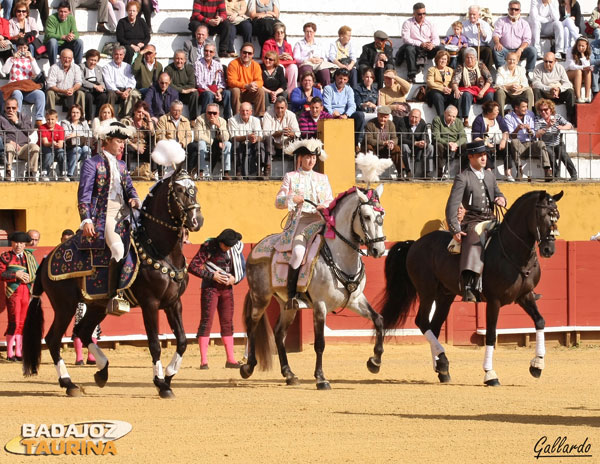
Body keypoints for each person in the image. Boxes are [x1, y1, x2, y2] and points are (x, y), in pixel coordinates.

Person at [78, 121, 141, 313]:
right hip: (104, 215)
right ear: (106, 141)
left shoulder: (121, 165)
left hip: (125, 213)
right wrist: (86, 219)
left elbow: (129, 187)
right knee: (118, 250)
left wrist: (135, 198)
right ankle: (115, 295)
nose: (122, 145)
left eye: (123, 141)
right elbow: (84, 193)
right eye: (118, 141)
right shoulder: (92, 163)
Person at [445, 139, 506, 303]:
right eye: (479, 155)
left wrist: (501, 199)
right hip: (473, 219)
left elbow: (498, 193)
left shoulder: (490, 175)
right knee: (473, 240)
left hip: (491, 219)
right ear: (471, 157)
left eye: (484, 154)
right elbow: (452, 206)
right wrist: (455, 229)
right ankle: (469, 286)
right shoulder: (462, 178)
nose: (483, 158)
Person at [275, 138, 333, 310]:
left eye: (314, 157)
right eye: (308, 157)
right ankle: (293, 295)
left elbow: (330, 199)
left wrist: (326, 206)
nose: (311, 160)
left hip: (320, 222)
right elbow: (278, 202)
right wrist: (292, 198)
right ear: (300, 158)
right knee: (299, 252)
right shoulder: (291, 177)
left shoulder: (323, 178)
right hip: (300, 222)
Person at [189, 228, 245, 369]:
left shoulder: (232, 249)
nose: (227, 249)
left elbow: (238, 268)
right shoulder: (209, 247)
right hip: (210, 289)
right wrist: (211, 276)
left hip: (226, 289)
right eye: (226, 246)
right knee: (207, 321)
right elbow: (193, 267)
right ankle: (203, 361)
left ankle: (230, 360)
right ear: (220, 242)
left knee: (227, 322)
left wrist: (234, 278)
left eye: (230, 246)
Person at [0, 231, 38, 361]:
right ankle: (10, 352)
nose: (18, 245)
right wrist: (15, 275)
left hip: (26, 291)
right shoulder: (6, 256)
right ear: (12, 243)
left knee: (22, 322)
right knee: (14, 321)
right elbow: (1, 274)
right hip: (13, 292)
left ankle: (19, 351)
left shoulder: (30, 257)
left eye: (21, 243)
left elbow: (36, 274)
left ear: (25, 244)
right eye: (16, 242)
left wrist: (30, 278)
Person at [504, 97, 553, 179]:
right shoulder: (508, 117)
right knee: (514, 141)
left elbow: (533, 134)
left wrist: (529, 130)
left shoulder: (530, 114)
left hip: (530, 144)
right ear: (516, 108)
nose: (526, 109)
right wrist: (517, 128)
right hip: (519, 145)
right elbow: (511, 136)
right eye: (523, 107)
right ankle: (519, 170)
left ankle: (547, 170)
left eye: (526, 106)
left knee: (540, 143)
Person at [1, 38, 45, 126]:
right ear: (17, 48)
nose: (22, 50)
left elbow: (37, 72)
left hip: (27, 89)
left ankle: (39, 119)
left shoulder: (30, 60)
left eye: (25, 48)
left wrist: (31, 59)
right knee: (17, 93)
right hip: (14, 87)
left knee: (40, 94)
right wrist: (13, 58)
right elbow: (4, 71)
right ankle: (17, 117)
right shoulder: (11, 59)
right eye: (20, 48)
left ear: (28, 49)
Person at [397, 3, 442, 83]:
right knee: (409, 48)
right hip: (415, 48)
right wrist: (420, 44)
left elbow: (436, 39)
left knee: (441, 49)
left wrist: (432, 45)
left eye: (424, 13)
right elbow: (406, 39)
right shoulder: (407, 23)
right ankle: (411, 75)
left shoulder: (430, 23)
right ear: (414, 14)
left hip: (428, 49)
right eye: (419, 14)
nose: (422, 16)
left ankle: (440, 72)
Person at [534, 98, 578, 180]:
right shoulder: (537, 119)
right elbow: (536, 134)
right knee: (551, 154)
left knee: (564, 155)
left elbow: (570, 125)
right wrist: (547, 126)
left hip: (558, 142)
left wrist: (561, 127)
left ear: (551, 109)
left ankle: (573, 174)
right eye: (541, 110)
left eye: (545, 109)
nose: (543, 112)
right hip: (546, 144)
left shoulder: (557, 117)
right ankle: (556, 175)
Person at [452, 47, 495, 129]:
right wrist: (456, 90)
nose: (469, 60)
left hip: (481, 90)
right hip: (469, 90)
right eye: (467, 57)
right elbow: (455, 81)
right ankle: (466, 119)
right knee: (466, 94)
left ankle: (488, 117)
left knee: (490, 94)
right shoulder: (461, 67)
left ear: (475, 58)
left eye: (472, 57)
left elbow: (489, 79)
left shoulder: (481, 65)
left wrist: (482, 91)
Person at [323, 68, 364, 151]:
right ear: (336, 77)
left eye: (345, 79)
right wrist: (333, 113)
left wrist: (346, 114)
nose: (342, 81)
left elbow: (352, 105)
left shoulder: (349, 89)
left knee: (360, 115)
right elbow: (327, 105)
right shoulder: (328, 88)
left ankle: (355, 143)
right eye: (340, 78)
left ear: (347, 80)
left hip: (345, 114)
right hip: (332, 114)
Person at [471, 100, 513, 180]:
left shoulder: (499, 118)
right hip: (485, 144)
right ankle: (488, 173)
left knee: (508, 147)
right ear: (489, 112)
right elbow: (475, 137)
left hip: (498, 144)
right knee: (486, 150)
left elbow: (505, 131)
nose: (498, 112)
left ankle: (508, 173)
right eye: (496, 110)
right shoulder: (479, 120)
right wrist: (487, 143)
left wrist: (503, 140)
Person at [492, 1, 537, 75]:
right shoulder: (501, 21)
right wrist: (497, 43)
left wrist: (520, 49)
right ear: (508, 10)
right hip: (505, 50)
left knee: (533, 50)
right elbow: (496, 34)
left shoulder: (524, 23)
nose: (513, 11)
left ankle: (529, 72)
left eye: (516, 9)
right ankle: (502, 73)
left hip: (519, 50)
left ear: (520, 11)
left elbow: (527, 39)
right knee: (496, 49)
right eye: (512, 9)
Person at [0, 97, 39, 180]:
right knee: (8, 146)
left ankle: (30, 174)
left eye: (13, 108)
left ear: (17, 108)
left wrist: (17, 121)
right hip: (10, 147)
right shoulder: (1, 118)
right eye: (8, 107)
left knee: (35, 147)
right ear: (4, 107)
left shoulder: (24, 117)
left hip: (24, 147)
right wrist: (9, 141)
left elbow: (30, 131)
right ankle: (8, 173)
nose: (11, 110)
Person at [532, 51, 576, 123]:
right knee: (536, 90)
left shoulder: (560, 68)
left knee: (570, 92)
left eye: (550, 62)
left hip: (558, 95)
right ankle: (538, 118)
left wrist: (559, 89)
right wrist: (549, 89)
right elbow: (536, 83)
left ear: (555, 61)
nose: (547, 64)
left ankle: (571, 118)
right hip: (545, 95)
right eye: (545, 61)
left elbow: (567, 83)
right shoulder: (538, 68)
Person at [262, 96, 300, 176]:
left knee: (298, 142)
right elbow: (266, 133)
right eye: (277, 108)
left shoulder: (291, 115)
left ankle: (297, 173)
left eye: (282, 108)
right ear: (274, 107)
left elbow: (298, 132)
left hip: (287, 144)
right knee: (268, 138)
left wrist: (291, 133)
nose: (279, 110)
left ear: (286, 107)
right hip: (273, 145)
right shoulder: (268, 114)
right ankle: (267, 168)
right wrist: (280, 132)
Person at [193, 102, 231, 178]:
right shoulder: (200, 119)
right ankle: (201, 171)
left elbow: (226, 137)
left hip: (217, 146)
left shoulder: (222, 121)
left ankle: (226, 172)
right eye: (209, 113)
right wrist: (212, 142)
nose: (212, 115)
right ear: (206, 112)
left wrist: (218, 126)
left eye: (214, 113)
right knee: (201, 143)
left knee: (228, 144)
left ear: (218, 113)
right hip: (206, 144)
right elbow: (197, 136)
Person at [102, 45, 142, 118]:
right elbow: (109, 83)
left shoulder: (128, 66)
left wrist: (126, 91)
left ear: (124, 56)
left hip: (125, 90)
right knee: (110, 94)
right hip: (115, 91)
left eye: (121, 54)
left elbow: (132, 80)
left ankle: (128, 118)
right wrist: (120, 93)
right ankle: (110, 117)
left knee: (134, 94)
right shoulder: (107, 67)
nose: (118, 56)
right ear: (113, 55)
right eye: (116, 54)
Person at [227, 42, 265, 116]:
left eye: (249, 53)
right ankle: (237, 116)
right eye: (244, 52)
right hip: (238, 92)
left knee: (260, 90)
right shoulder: (233, 64)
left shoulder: (256, 65)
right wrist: (246, 86)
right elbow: (231, 82)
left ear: (253, 55)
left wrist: (254, 85)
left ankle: (260, 116)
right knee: (235, 90)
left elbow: (260, 81)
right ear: (240, 52)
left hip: (249, 91)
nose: (247, 55)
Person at [227, 101, 264, 178]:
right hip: (239, 142)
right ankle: (238, 171)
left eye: (247, 111)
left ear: (251, 112)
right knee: (236, 144)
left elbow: (260, 136)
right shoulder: (232, 120)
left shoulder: (256, 120)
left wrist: (255, 139)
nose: (245, 112)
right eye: (243, 110)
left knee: (260, 144)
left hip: (252, 143)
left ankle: (260, 170)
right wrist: (247, 137)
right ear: (239, 111)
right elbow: (233, 137)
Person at [395, 108, 434, 179]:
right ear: (409, 115)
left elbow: (427, 137)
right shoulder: (402, 121)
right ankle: (408, 171)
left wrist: (424, 142)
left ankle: (428, 172)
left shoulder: (422, 123)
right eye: (412, 116)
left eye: (416, 117)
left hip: (418, 148)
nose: (413, 119)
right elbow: (400, 138)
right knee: (404, 146)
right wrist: (414, 143)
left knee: (430, 147)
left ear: (420, 118)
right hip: (407, 147)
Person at [155, 100, 195, 169]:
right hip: (168, 146)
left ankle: (189, 172)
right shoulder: (163, 119)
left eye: (179, 111)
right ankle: (160, 174)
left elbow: (188, 136)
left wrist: (182, 144)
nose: (177, 113)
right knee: (160, 148)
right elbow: (160, 135)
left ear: (182, 111)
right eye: (175, 110)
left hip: (181, 146)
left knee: (194, 147)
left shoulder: (185, 121)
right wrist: (170, 145)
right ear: (170, 109)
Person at [293, 22, 333, 88]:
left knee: (325, 71)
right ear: (304, 32)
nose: (309, 34)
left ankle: (327, 92)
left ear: (314, 32)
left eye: (311, 32)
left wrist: (321, 59)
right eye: (307, 32)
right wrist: (308, 59)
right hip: (306, 63)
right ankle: (309, 90)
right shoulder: (299, 44)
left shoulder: (319, 44)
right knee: (307, 69)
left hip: (318, 64)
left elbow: (325, 57)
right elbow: (296, 57)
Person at [121, 100, 155, 179]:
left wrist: (149, 117)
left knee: (153, 148)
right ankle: (127, 172)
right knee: (127, 147)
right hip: (132, 147)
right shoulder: (127, 121)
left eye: (143, 113)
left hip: (144, 149)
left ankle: (153, 172)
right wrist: (135, 146)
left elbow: (152, 133)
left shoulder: (146, 123)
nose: (141, 114)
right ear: (134, 111)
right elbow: (123, 137)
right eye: (139, 112)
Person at [432, 105, 467, 178]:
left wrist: (456, 144)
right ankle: (439, 171)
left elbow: (463, 137)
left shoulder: (458, 122)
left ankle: (463, 171)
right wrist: (448, 143)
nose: (452, 119)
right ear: (445, 113)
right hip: (443, 145)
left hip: (455, 146)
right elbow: (436, 137)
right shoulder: (437, 120)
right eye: (449, 116)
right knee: (438, 145)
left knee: (466, 146)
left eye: (454, 117)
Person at [365, 105, 402, 177]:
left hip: (386, 149)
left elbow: (395, 138)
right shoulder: (370, 124)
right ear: (377, 115)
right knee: (368, 147)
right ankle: (371, 174)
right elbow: (369, 139)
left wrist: (391, 143)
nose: (383, 119)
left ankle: (401, 172)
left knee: (396, 148)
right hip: (374, 148)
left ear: (388, 117)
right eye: (381, 116)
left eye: (385, 117)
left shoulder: (391, 124)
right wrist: (383, 143)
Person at [262, 21, 297, 94]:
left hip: (287, 66)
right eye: (277, 32)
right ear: (274, 34)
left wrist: (290, 58)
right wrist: (278, 57)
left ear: (284, 34)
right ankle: (280, 91)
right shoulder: (268, 44)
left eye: (282, 32)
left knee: (293, 67)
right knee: (280, 67)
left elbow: (293, 61)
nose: (279, 34)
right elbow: (264, 58)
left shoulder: (288, 45)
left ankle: (291, 93)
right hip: (276, 67)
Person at [46, 48, 85, 114]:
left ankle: (80, 116)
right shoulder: (54, 68)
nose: (67, 60)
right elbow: (50, 85)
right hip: (57, 94)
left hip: (71, 93)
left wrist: (72, 89)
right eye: (65, 58)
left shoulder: (76, 68)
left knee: (81, 93)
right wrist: (63, 91)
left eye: (69, 58)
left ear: (72, 58)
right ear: (60, 57)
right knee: (50, 93)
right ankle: (51, 115)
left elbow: (78, 82)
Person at [495, 51, 535, 115]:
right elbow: (498, 84)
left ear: (517, 61)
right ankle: (501, 117)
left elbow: (525, 83)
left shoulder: (521, 69)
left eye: (514, 60)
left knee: (528, 91)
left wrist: (520, 87)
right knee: (499, 92)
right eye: (509, 59)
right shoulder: (501, 69)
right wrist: (509, 87)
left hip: (519, 92)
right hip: (506, 93)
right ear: (506, 60)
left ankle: (528, 115)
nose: (512, 61)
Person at [44, 2, 83, 66]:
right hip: (54, 46)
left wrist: (71, 36)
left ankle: (78, 67)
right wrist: (63, 37)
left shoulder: (71, 18)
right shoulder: (51, 18)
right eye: (61, 11)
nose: (63, 14)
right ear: (57, 11)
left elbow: (76, 34)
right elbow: (49, 34)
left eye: (65, 12)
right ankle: (53, 67)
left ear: (69, 12)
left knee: (79, 42)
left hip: (66, 45)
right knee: (52, 41)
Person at [166, 50, 200, 121]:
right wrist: (182, 90)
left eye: (181, 59)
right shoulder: (168, 69)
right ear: (174, 59)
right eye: (177, 58)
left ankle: (193, 119)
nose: (179, 61)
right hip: (174, 94)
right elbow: (168, 84)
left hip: (186, 95)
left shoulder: (189, 68)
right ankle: (169, 118)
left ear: (185, 60)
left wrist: (180, 89)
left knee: (194, 93)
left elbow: (192, 84)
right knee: (170, 91)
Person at [61, 104, 92, 179]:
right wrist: (81, 135)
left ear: (81, 114)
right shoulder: (65, 122)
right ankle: (70, 174)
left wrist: (76, 134)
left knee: (86, 149)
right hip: (70, 148)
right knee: (77, 149)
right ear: (70, 113)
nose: (75, 114)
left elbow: (89, 134)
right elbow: (66, 135)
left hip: (83, 146)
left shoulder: (84, 123)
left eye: (77, 112)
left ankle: (86, 173)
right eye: (73, 112)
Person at [460, 5, 495, 71]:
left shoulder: (484, 24)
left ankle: (487, 75)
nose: (472, 16)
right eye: (470, 14)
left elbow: (488, 39)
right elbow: (460, 36)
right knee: (462, 51)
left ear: (478, 15)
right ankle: (465, 73)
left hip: (481, 46)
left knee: (488, 52)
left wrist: (481, 30)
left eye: (474, 14)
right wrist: (462, 43)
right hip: (469, 46)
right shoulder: (463, 24)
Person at [80, 49, 110, 122]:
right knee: (88, 97)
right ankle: (88, 119)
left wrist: (102, 87)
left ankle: (98, 118)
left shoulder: (99, 68)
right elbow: (82, 80)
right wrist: (95, 86)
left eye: (95, 60)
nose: (93, 62)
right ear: (87, 59)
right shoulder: (81, 67)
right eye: (91, 60)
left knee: (103, 96)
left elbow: (101, 81)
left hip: (96, 88)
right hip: (86, 88)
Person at [426, 49, 455, 118]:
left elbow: (453, 82)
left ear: (447, 60)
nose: (443, 61)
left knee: (456, 96)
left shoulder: (450, 70)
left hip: (447, 91)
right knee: (438, 96)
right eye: (441, 59)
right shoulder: (432, 69)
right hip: (434, 90)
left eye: (445, 59)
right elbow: (430, 82)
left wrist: (450, 89)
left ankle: (456, 118)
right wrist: (442, 88)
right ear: (437, 60)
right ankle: (441, 117)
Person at [39, 108, 66, 181]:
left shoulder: (60, 128)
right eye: (48, 119)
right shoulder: (42, 127)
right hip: (44, 147)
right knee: (49, 152)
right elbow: (45, 143)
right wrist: (52, 143)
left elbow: (61, 144)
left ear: (56, 119)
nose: (50, 121)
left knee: (61, 152)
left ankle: (63, 173)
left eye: (52, 119)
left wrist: (57, 145)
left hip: (55, 147)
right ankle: (44, 172)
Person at [565, 37, 593, 103]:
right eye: (579, 45)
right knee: (578, 71)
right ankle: (578, 97)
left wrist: (582, 55)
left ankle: (587, 96)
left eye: (582, 46)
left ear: (586, 46)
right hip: (568, 73)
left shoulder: (587, 52)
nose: (580, 48)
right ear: (576, 45)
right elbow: (571, 66)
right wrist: (582, 68)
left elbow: (587, 66)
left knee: (587, 71)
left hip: (580, 74)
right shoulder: (570, 50)